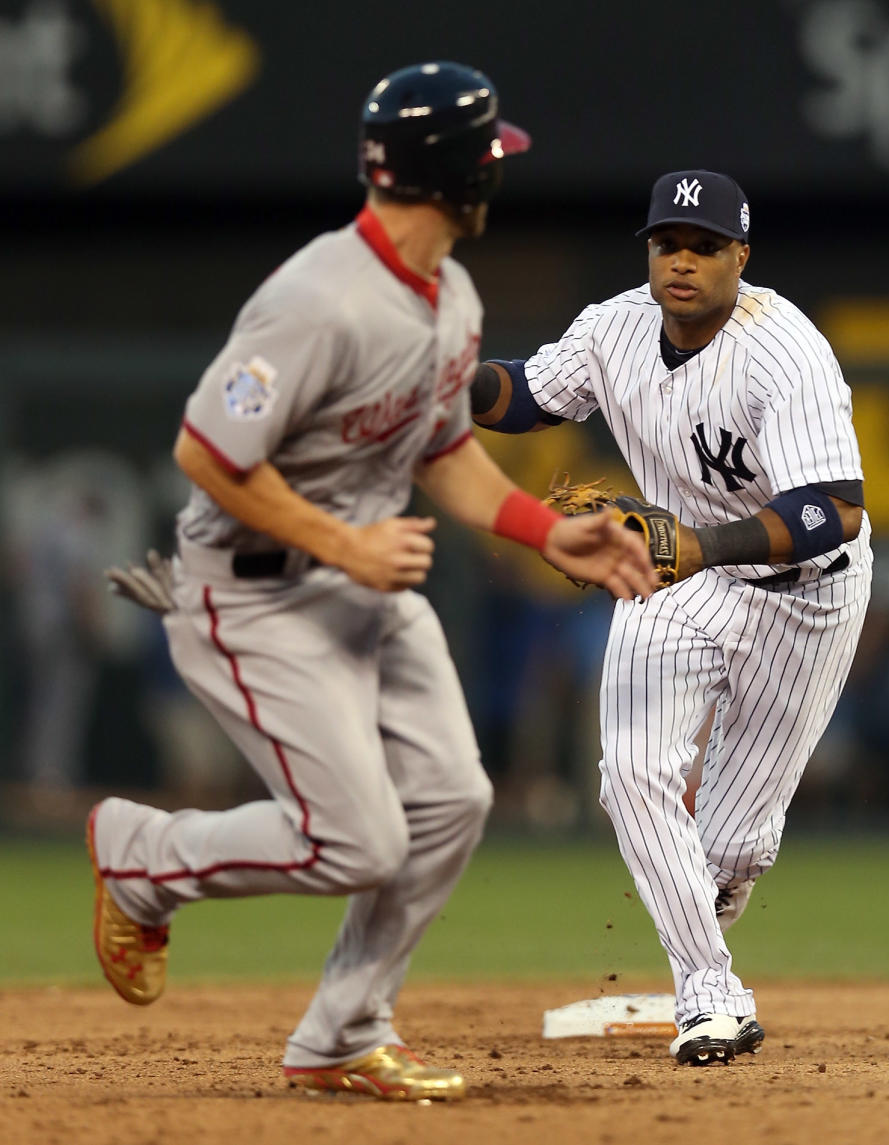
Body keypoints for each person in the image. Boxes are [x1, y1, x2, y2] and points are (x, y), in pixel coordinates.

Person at [85, 61, 655, 1104]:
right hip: (251, 594)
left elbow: (439, 448)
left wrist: (542, 530)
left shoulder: (453, 299)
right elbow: (207, 451)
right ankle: (142, 856)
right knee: (357, 836)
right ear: (456, 178)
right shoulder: (318, 299)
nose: (497, 173)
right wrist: (343, 545)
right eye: (488, 157)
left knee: (452, 799)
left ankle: (344, 1032)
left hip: (361, 589)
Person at [470, 169, 872, 1065]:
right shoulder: (613, 328)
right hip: (671, 575)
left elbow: (834, 510)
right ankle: (709, 992)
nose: (682, 262)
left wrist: (699, 546)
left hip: (805, 595)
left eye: (703, 246)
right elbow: (527, 395)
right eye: (667, 244)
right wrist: (446, 382)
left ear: (741, 257)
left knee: (730, 845)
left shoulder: (785, 352)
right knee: (630, 774)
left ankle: (702, 929)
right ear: (649, 251)